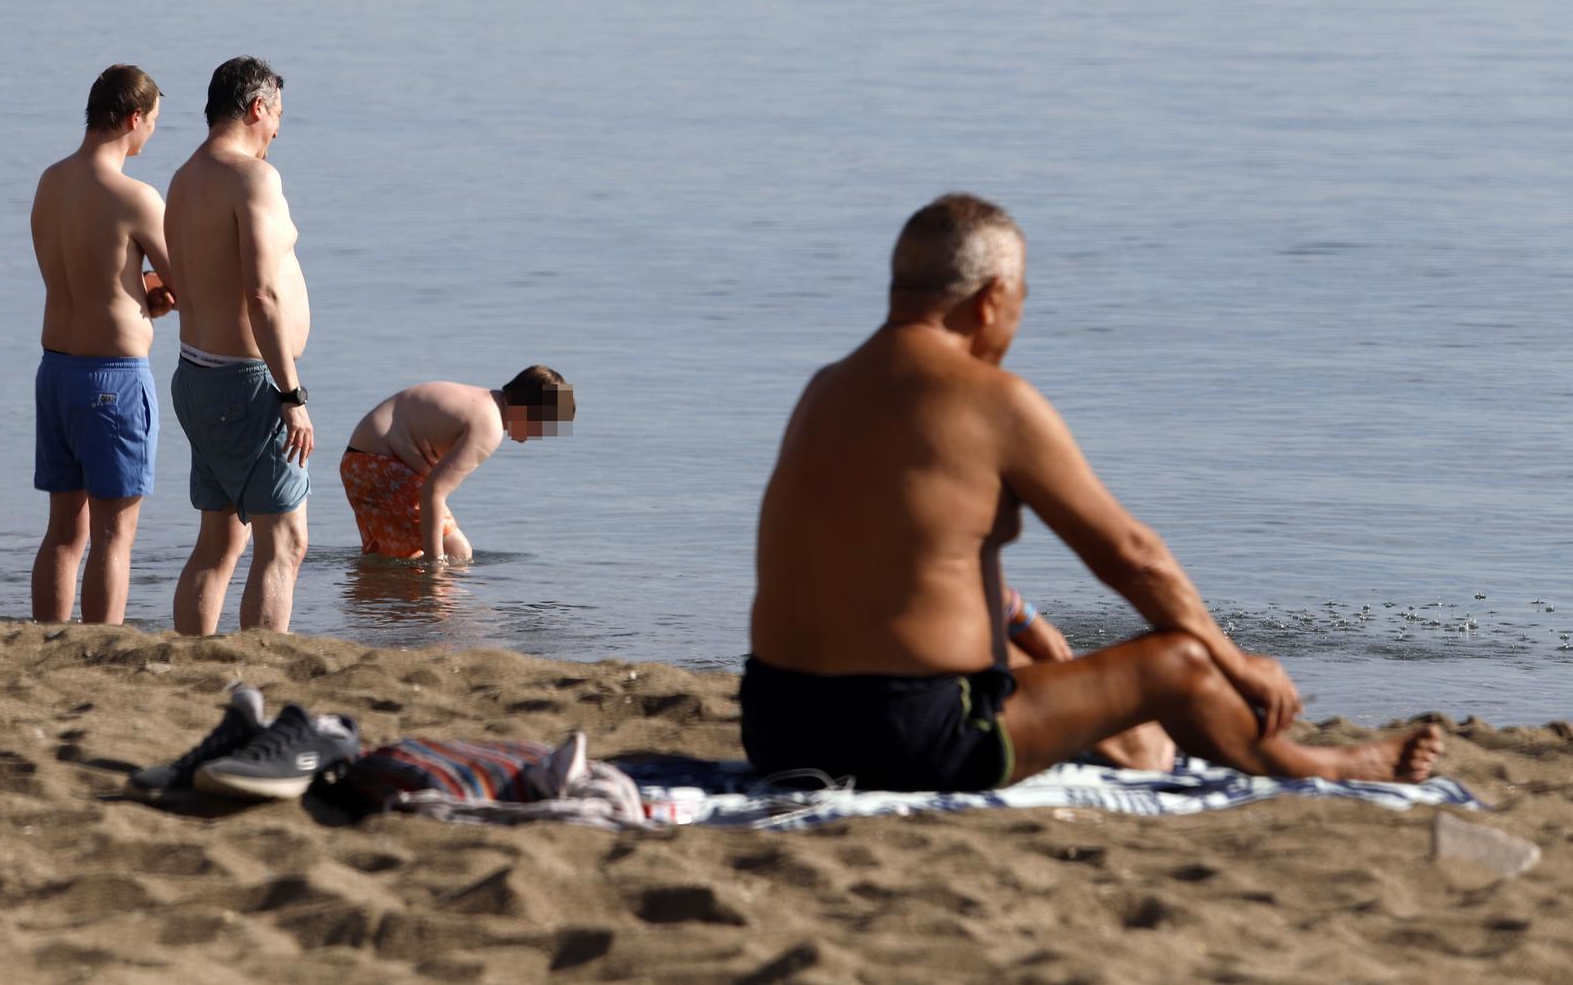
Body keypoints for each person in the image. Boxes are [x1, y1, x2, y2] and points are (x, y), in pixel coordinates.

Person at [743, 193, 1443, 791]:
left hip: (778, 726)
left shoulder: (825, 388)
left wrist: (1019, 618)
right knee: (1180, 660)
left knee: (1035, 656)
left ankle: (1124, 739)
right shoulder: (996, 401)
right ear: (990, 301)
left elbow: (901, 543)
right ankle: (1324, 764)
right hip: (908, 738)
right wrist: (1238, 660)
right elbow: (1133, 557)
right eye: (1020, 300)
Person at [164, 56, 314, 635]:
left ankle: (191, 660)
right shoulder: (252, 178)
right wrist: (291, 393)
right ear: (257, 108)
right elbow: (261, 294)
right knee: (286, 542)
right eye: (278, 117)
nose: (277, 131)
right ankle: (263, 667)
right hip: (247, 383)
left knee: (219, 540)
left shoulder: (185, 176)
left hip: (197, 375)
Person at [29, 64, 174, 625]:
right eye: (154, 121)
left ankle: (47, 638)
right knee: (115, 535)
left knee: (64, 531)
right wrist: (155, 296)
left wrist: (142, 293)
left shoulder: (51, 180)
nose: (153, 133)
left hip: (56, 370)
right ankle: (102, 644)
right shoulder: (135, 197)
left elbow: (90, 272)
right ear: (134, 118)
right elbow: (181, 281)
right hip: (112, 376)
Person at [342, 367, 575, 562]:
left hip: (361, 464)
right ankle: (429, 609)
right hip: (378, 466)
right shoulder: (489, 425)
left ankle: (379, 609)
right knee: (457, 553)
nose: (541, 435)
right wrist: (436, 564)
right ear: (530, 409)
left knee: (400, 558)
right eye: (544, 425)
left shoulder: (483, 402)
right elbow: (433, 491)